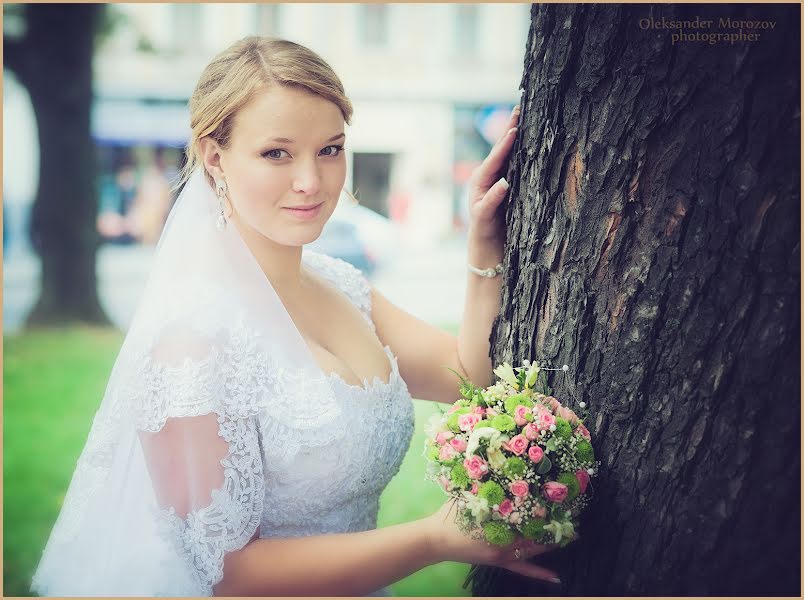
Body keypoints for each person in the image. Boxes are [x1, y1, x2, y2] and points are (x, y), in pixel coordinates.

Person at [30, 36, 559, 596]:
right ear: (215, 158)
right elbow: (229, 575)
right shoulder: (190, 345)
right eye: (277, 153)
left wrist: (483, 247)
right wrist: (432, 539)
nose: (311, 180)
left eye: (330, 149)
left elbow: (467, 375)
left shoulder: (343, 286)